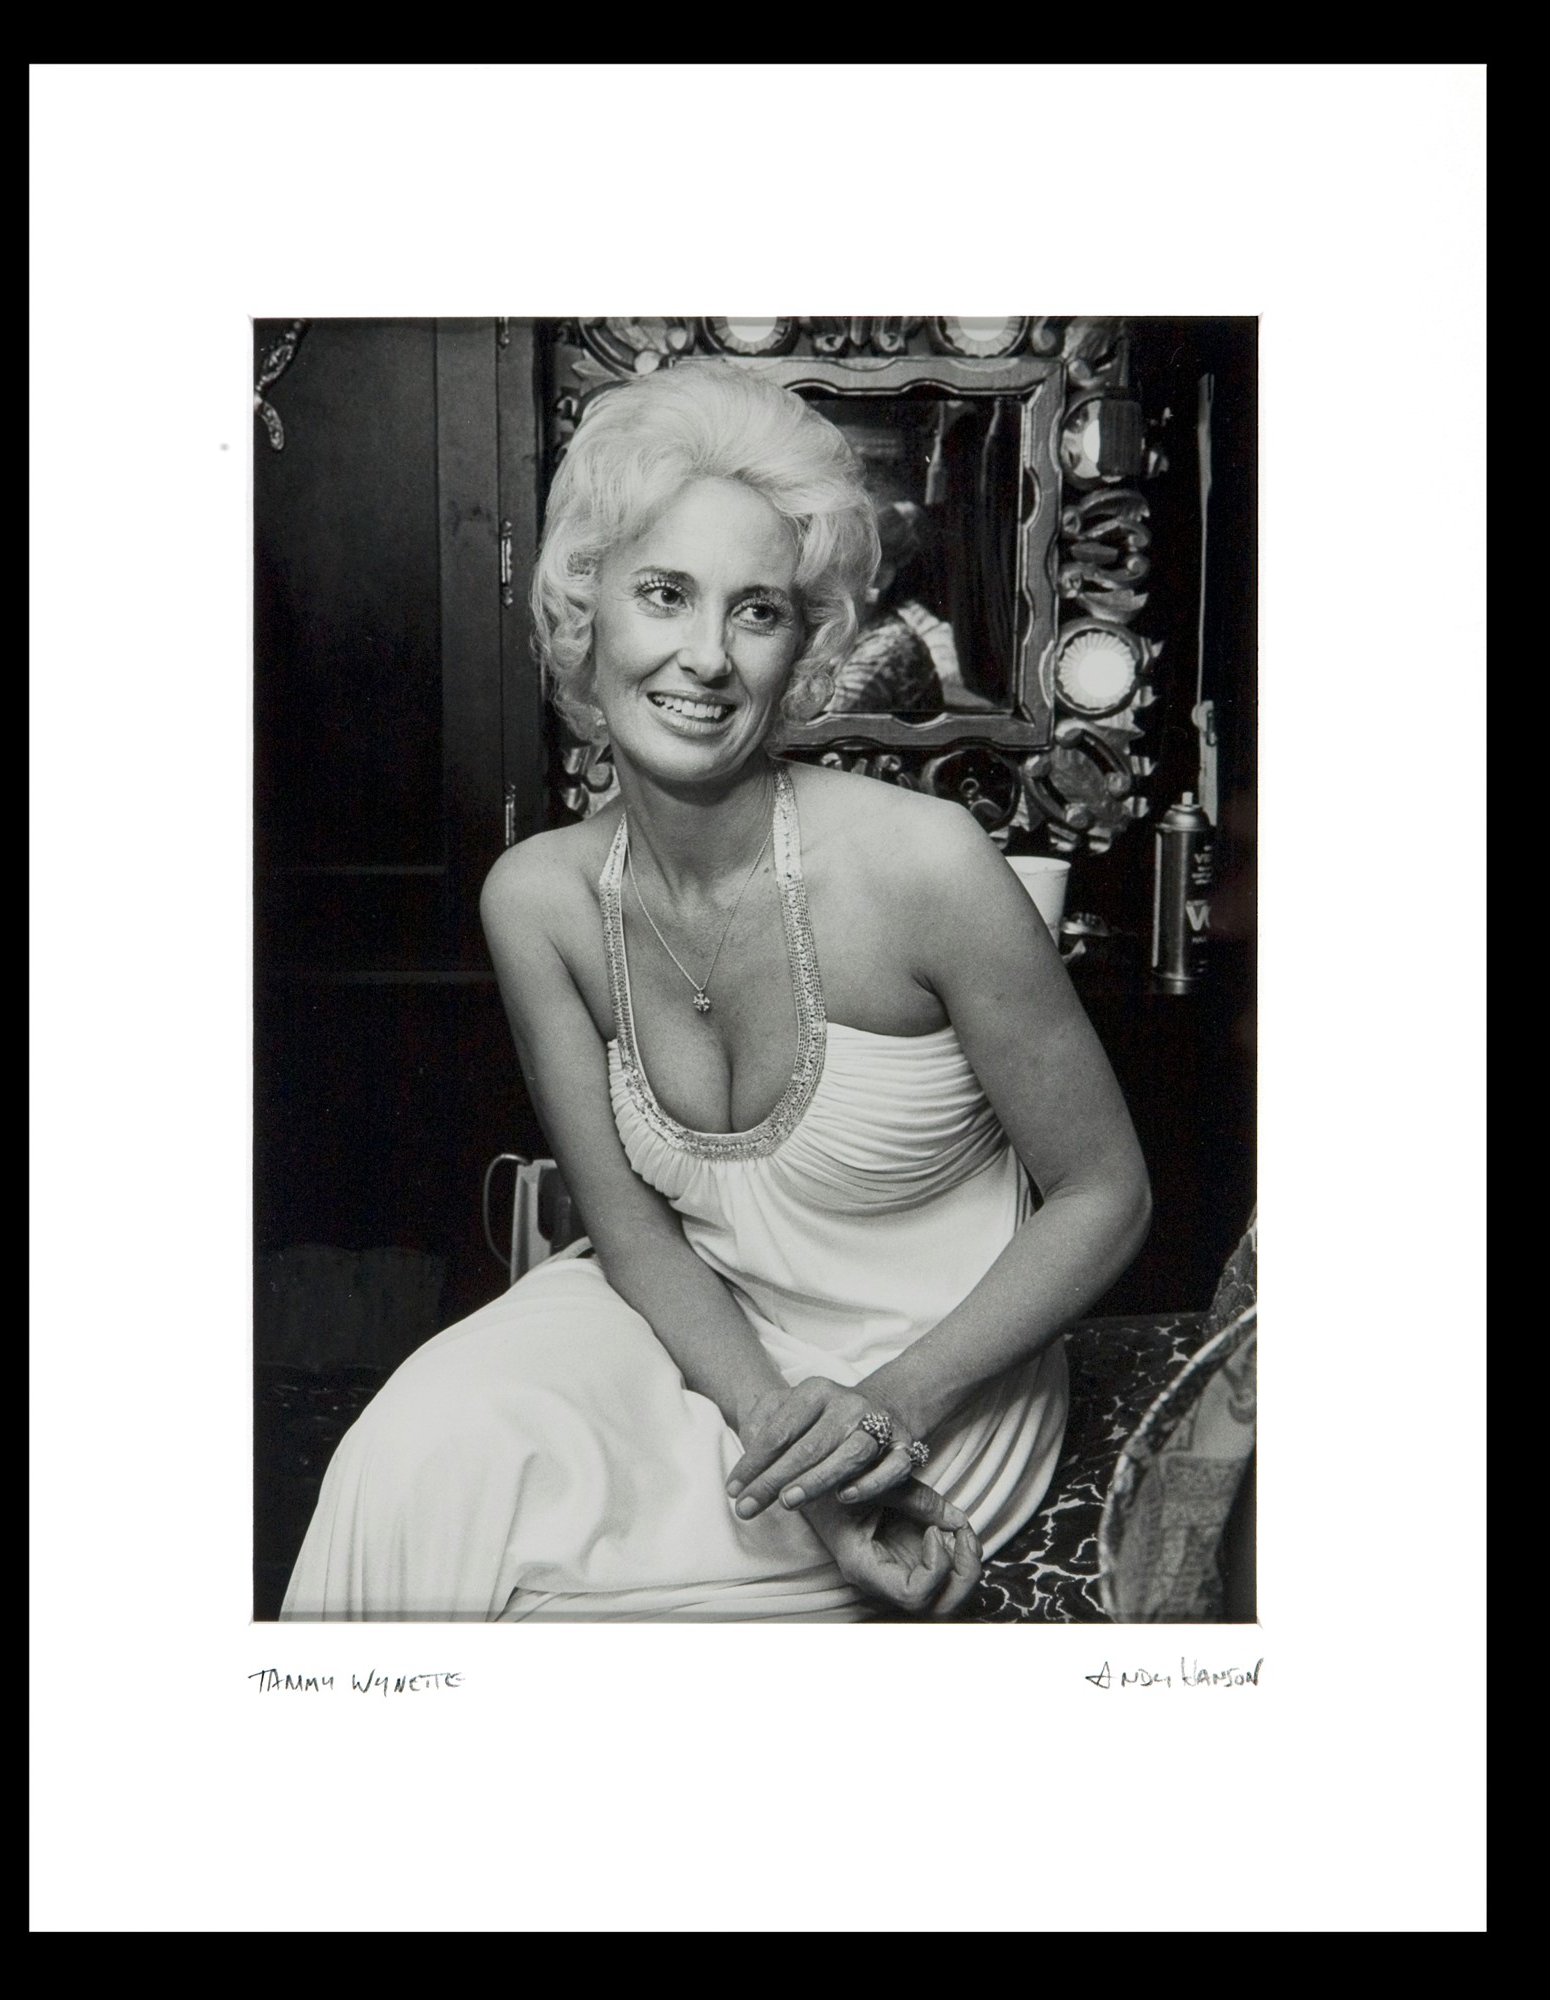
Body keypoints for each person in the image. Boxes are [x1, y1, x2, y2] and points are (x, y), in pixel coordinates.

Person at [281, 360, 1151, 1622]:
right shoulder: (538, 899)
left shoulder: (923, 866)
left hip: (934, 1370)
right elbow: (631, 1230)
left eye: (756, 611)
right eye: (663, 593)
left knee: (581, 1620)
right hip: (688, 1334)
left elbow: (1104, 1191)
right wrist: (766, 1418)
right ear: (584, 606)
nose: (704, 656)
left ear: (805, 648)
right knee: (413, 1453)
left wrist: (875, 1423)